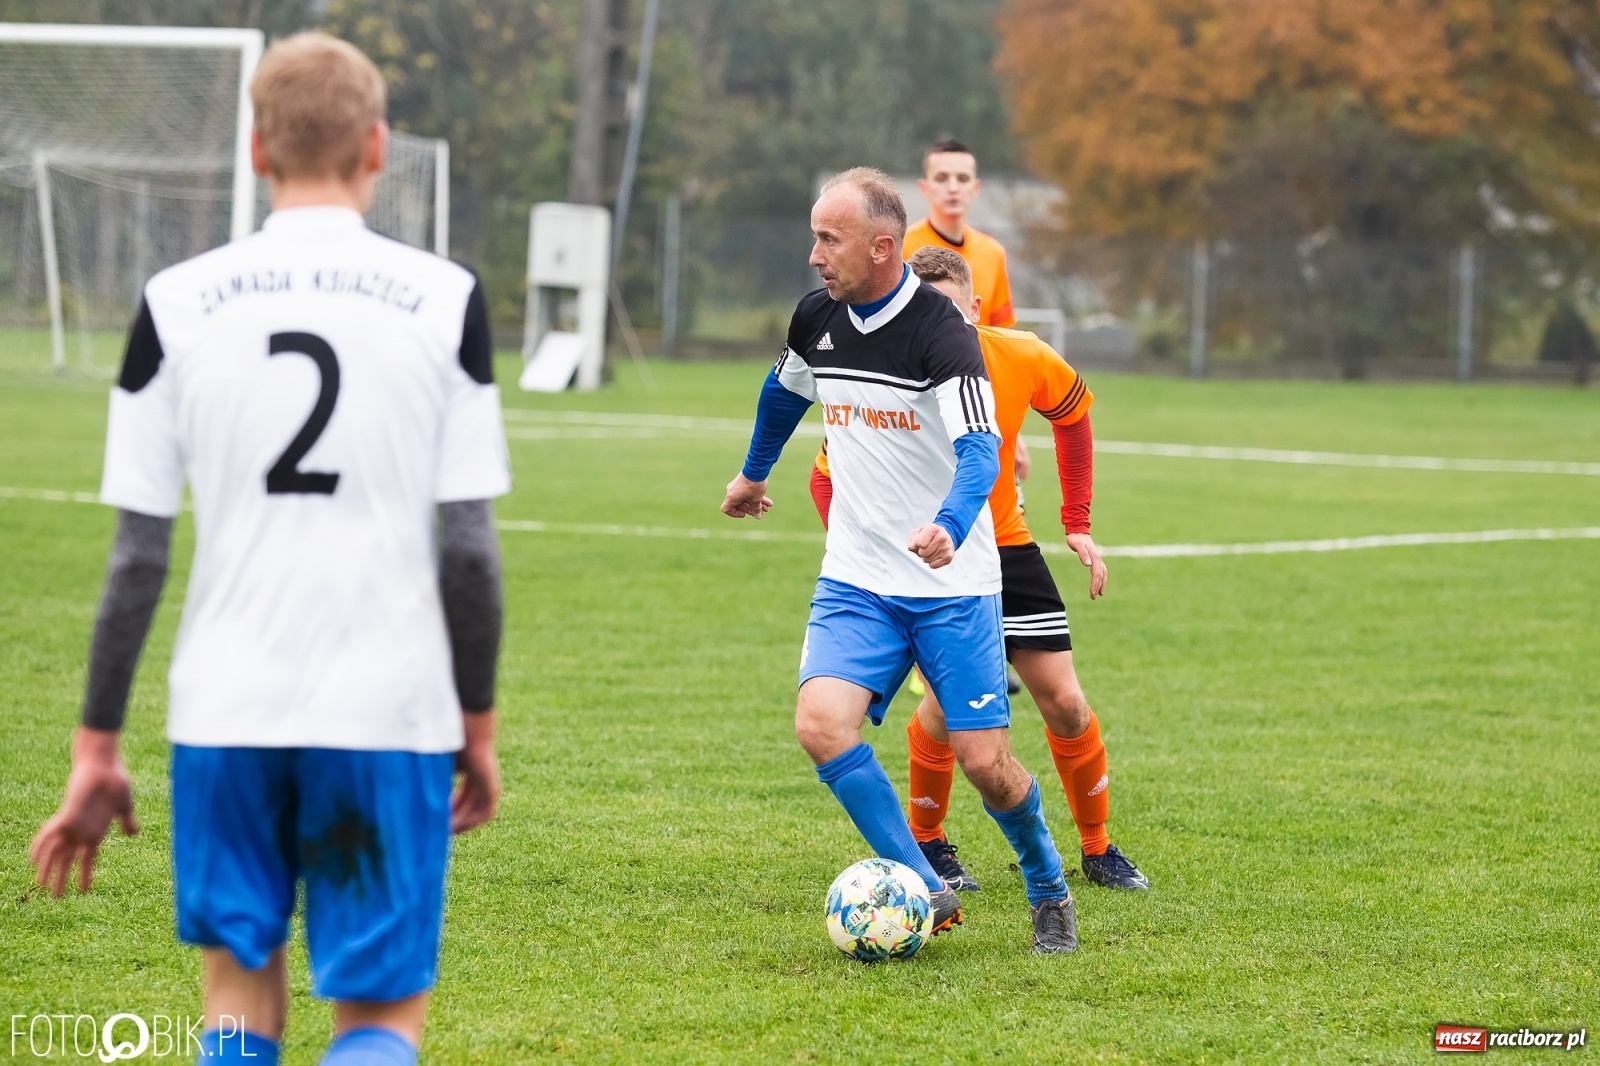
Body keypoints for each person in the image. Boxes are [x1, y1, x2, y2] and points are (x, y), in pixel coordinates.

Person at [27, 33, 510, 1066]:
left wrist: (95, 747)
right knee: (378, 1018)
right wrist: (475, 724)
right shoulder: (447, 299)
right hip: (387, 710)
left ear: (256, 149)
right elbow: (469, 549)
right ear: (376, 147)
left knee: (238, 1006)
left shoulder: (172, 302)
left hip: (227, 708)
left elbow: (136, 558)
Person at [721, 167, 1078, 954]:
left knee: (985, 763)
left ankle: (1047, 882)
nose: (814, 255)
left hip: (954, 586)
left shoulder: (941, 334)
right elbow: (784, 392)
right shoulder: (817, 315)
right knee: (821, 725)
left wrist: (950, 524)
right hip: (857, 579)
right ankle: (923, 883)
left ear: (882, 247)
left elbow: (981, 447)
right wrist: (753, 474)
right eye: (814, 237)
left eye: (829, 239)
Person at [898, 247, 1150, 894]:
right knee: (943, 708)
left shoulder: (1020, 354)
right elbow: (826, 469)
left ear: (976, 309)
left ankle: (1097, 847)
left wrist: (1077, 520)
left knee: (1064, 702)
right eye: (922, 311)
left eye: (950, 312)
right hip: (935, 557)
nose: (937, 326)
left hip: (1006, 548)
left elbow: (1073, 415)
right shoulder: (886, 373)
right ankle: (928, 844)